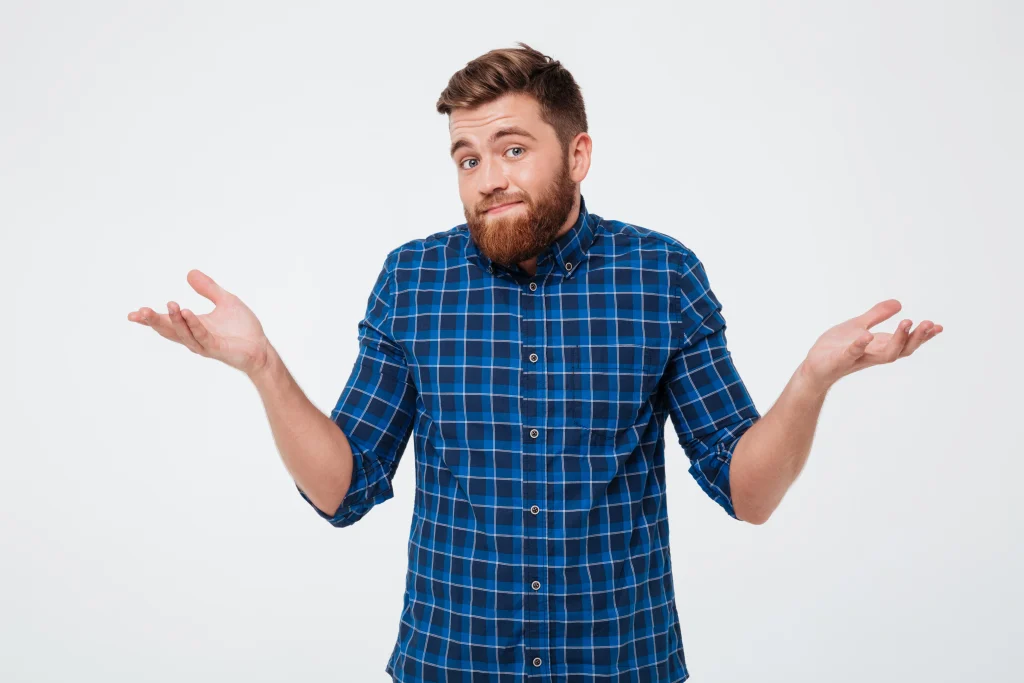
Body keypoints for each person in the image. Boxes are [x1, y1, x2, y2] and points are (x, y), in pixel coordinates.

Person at [128, 42, 942, 683]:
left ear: (577, 155)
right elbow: (343, 488)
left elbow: (746, 490)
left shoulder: (663, 276)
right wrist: (263, 365)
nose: (487, 178)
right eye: (467, 158)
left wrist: (811, 381)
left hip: (622, 668)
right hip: (449, 668)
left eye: (512, 149)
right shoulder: (412, 280)